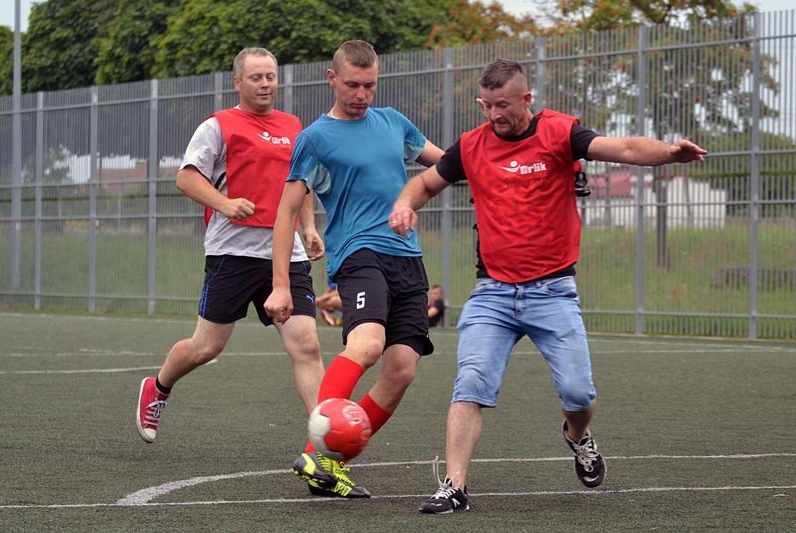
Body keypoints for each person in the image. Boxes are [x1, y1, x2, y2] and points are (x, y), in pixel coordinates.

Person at [390, 58, 708, 514]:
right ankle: (454, 486)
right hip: (493, 293)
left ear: (527, 99)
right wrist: (405, 205)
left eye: (505, 105)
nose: (496, 114)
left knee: (579, 395)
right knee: (470, 384)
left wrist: (669, 153)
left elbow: (627, 149)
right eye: (488, 105)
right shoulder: (471, 146)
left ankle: (577, 436)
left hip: (553, 292)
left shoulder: (562, 133)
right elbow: (423, 183)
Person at [264, 40, 444, 498]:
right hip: (358, 252)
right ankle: (314, 451)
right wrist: (281, 285)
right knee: (367, 345)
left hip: (407, 256)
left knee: (402, 370)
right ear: (332, 79)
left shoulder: (393, 123)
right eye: (352, 85)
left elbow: (449, 164)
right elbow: (285, 212)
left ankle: (327, 462)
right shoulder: (315, 138)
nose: (361, 94)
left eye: (369, 85)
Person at [135, 47, 326, 447]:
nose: (265, 84)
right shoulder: (219, 125)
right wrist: (224, 204)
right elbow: (186, 179)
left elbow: (300, 185)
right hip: (233, 253)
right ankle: (158, 387)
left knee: (306, 344)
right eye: (256, 77)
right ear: (237, 82)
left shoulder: (295, 126)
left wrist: (308, 227)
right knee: (206, 347)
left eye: (270, 76)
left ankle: (325, 442)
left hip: (284, 255)